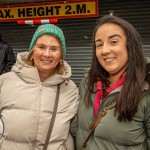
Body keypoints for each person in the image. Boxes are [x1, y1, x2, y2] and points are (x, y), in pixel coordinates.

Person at [76, 15, 150, 150]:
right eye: (99, 45)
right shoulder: (87, 84)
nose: (104, 50)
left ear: (130, 45)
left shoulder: (146, 90)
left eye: (113, 42)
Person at [0, 24, 79, 150]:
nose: (47, 54)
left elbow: (73, 133)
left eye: (54, 49)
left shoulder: (70, 89)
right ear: (32, 52)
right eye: (41, 47)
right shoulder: (5, 82)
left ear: (61, 57)